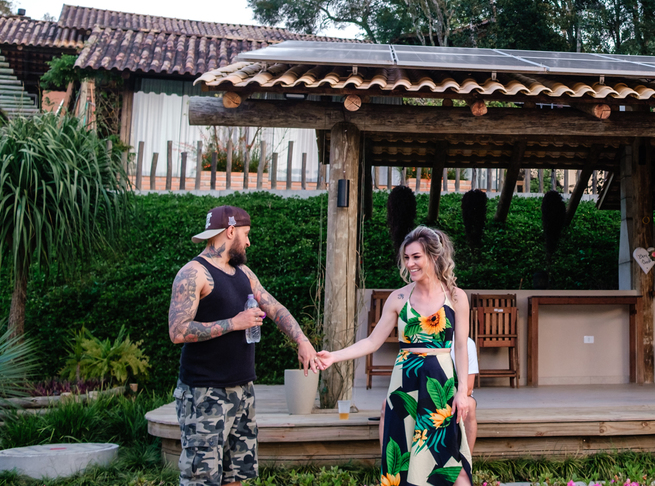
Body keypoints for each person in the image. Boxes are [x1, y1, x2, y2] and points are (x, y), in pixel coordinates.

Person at [168, 205, 320, 486]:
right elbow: (177, 331)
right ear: (230, 231)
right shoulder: (193, 273)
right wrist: (234, 323)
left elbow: (274, 308)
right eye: (246, 234)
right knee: (201, 479)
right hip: (204, 394)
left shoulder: (243, 273)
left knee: (237, 475)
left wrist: (302, 340)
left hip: (242, 390)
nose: (248, 241)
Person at [318, 226, 471, 486]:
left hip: (440, 384)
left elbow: (461, 347)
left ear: (433, 257)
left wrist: (463, 392)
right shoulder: (398, 298)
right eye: (407, 258)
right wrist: (334, 356)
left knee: (450, 462)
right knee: (402, 457)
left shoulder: (456, 297)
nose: (410, 263)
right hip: (404, 386)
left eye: (416, 257)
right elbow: (371, 341)